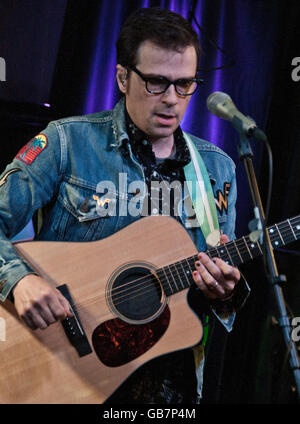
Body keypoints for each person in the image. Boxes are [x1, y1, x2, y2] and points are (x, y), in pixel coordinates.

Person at [0, 7, 248, 403]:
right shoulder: (67, 142)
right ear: (122, 77)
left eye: (185, 84)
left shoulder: (217, 169)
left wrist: (224, 290)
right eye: (156, 82)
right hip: (68, 371)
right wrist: (18, 281)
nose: (172, 99)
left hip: (170, 390)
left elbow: (217, 276)